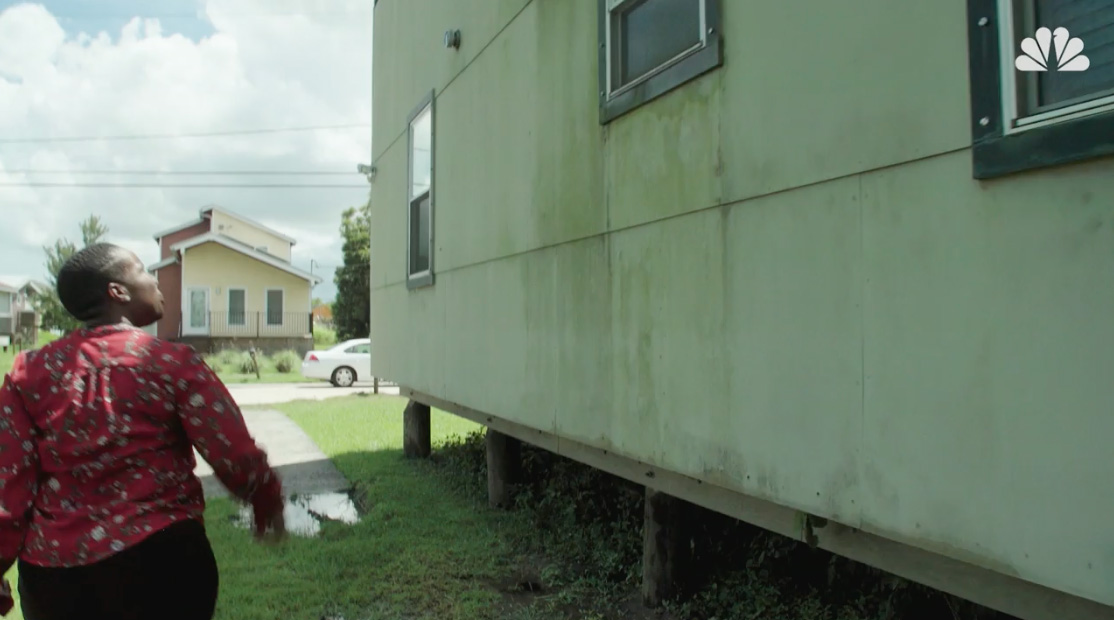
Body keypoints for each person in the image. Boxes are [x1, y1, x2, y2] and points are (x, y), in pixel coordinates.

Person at [0, 243, 287, 619]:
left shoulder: (28, 373)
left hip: (56, 577)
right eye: (143, 271)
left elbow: (9, 483)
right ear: (117, 292)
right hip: (160, 561)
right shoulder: (171, 363)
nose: (155, 281)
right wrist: (265, 497)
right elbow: (231, 450)